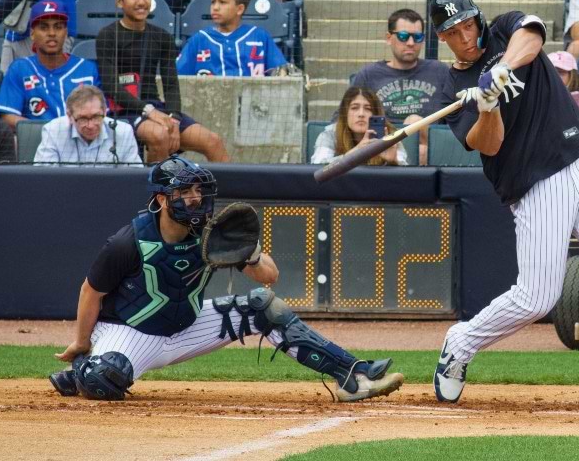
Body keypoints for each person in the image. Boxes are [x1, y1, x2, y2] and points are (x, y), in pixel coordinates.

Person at [429, 0, 579, 410]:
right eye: (453, 31)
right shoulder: (451, 90)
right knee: (536, 298)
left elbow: (532, 35)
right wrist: (488, 105)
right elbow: (490, 144)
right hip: (535, 182)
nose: (465, 36)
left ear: (478, 19)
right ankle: (461, 341)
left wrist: (501, 69)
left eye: (468, 24)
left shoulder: (504, 30)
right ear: (442, 38)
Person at [49, 156, 404, 402]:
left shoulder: (212, 232)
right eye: (185, 192)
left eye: (198, 191)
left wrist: (247, 252)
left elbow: (270, 277)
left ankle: (353, 374)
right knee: (104, 377)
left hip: (186, 327)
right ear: (161, 199)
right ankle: (82, 370)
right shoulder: (128, 242)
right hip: (132, 331)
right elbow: (91, 291)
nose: (195, 199)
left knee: (264, 307)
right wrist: (81, 343)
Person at [96, 0, 229, 163]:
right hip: (123, 111)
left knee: (212, 141)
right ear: (119, 1)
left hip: (157, 109)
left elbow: (171, 85)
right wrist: (149, 111)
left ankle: (225, 186)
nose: (141, 2)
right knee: (159, 135)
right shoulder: (107, 35)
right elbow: (111, 86)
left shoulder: (162, 36)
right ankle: (155, 184)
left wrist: (174, 119)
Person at [351, 9, 449, 165]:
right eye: (403, 36)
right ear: (389, 38)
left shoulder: (440, 71)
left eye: (417, 37)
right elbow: (343, 118)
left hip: (430, 151)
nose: (410, 43)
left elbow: (458, 118)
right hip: (383, 149)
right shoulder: (369, 75)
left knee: (415, 123)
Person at [0, 1, 99, 131]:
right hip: (37, 140)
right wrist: (46, 131)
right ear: (32, 34)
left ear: (66, 32)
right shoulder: (20, 69)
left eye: (58, 27)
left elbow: (101, 113)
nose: (52, 33)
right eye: (44, 27)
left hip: (80, 138)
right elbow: (7, 115)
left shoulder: (87, 69)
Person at [176, 0, 287, 77]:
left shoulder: (259, 37)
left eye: (222, 2)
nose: (215, 7)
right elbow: (178, 77)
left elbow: (281, 73)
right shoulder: (199, 39)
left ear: (240, 9)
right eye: (213, 2)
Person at [34, 85, 142, 166]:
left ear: (105, 112)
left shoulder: (123, 132)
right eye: (82, 118)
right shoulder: (53, 131)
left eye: (96, 116)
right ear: (70, 116)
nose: (90, 125)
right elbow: (44, 179)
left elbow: (133, 180)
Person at [311, 86, 408, 166]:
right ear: (345, 113)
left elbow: (406, 176)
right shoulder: (330, 134)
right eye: (354, 108)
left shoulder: (390, 135)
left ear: (375, 113)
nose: (361, 114)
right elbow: (317, 167)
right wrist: (355, 153)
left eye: (368, 109)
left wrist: (393, 162)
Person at [548, 51, 579, 126]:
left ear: (572, 75)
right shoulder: (540, 95)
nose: (556, 77)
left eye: (561, 73)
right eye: (552, 73)